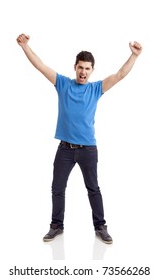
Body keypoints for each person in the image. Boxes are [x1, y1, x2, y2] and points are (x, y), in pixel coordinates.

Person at [16, 34, 142, 244]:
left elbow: (120, 74)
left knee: (93, 188)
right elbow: (40, 66)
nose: (83, 72)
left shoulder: (95, 89)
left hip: (88, 150)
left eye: (87, 68)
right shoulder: (63, 84)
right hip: (65, 149)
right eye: (80, 67)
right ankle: (56, 226)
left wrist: (134, 56)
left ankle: (100, 226)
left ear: (92, 70)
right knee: (57, 187)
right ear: (75, 67)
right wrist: (25, 46)